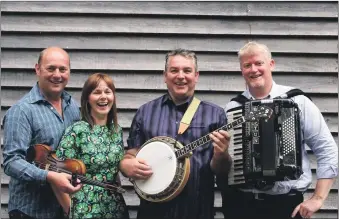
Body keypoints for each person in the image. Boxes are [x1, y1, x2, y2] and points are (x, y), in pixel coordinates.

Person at [222, 41, 338, 219]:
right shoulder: (233, 108)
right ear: (242, 70)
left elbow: (327, 150)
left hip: (287, 206)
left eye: (259, 63)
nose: (254, 69)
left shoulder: (297, 101)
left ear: (271, 64)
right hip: (242, 205)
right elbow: (225, 165)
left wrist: (318, 198)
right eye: (247, 65)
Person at [119, 48, 232, 219]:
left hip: (197, 211)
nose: (181, 76)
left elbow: (222, 170)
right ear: (165, 76)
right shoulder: (145, 112)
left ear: (196, 76)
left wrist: (221, 154)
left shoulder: (215, 115)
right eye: (174, 70)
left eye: (187, 70)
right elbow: (131, 154)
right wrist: (126, 166)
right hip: (153, 212)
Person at [3, 47, 82, 219]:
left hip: (62, 209)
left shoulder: (73, 107)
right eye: (51, 68)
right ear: (37, 69)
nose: (57, 75)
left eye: (63, 69)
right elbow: (11, 162)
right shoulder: (21, 111)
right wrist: (48, 176)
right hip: (30, 211)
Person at [55, 73, 129, 219]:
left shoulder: (116, 130)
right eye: (97, 92)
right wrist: (70, 210)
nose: (103, 97)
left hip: (114, 207)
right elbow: (58, 173)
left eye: (107, 92)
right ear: (87, 99)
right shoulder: (77, 131)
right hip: (84, 207)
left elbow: (114, 172)